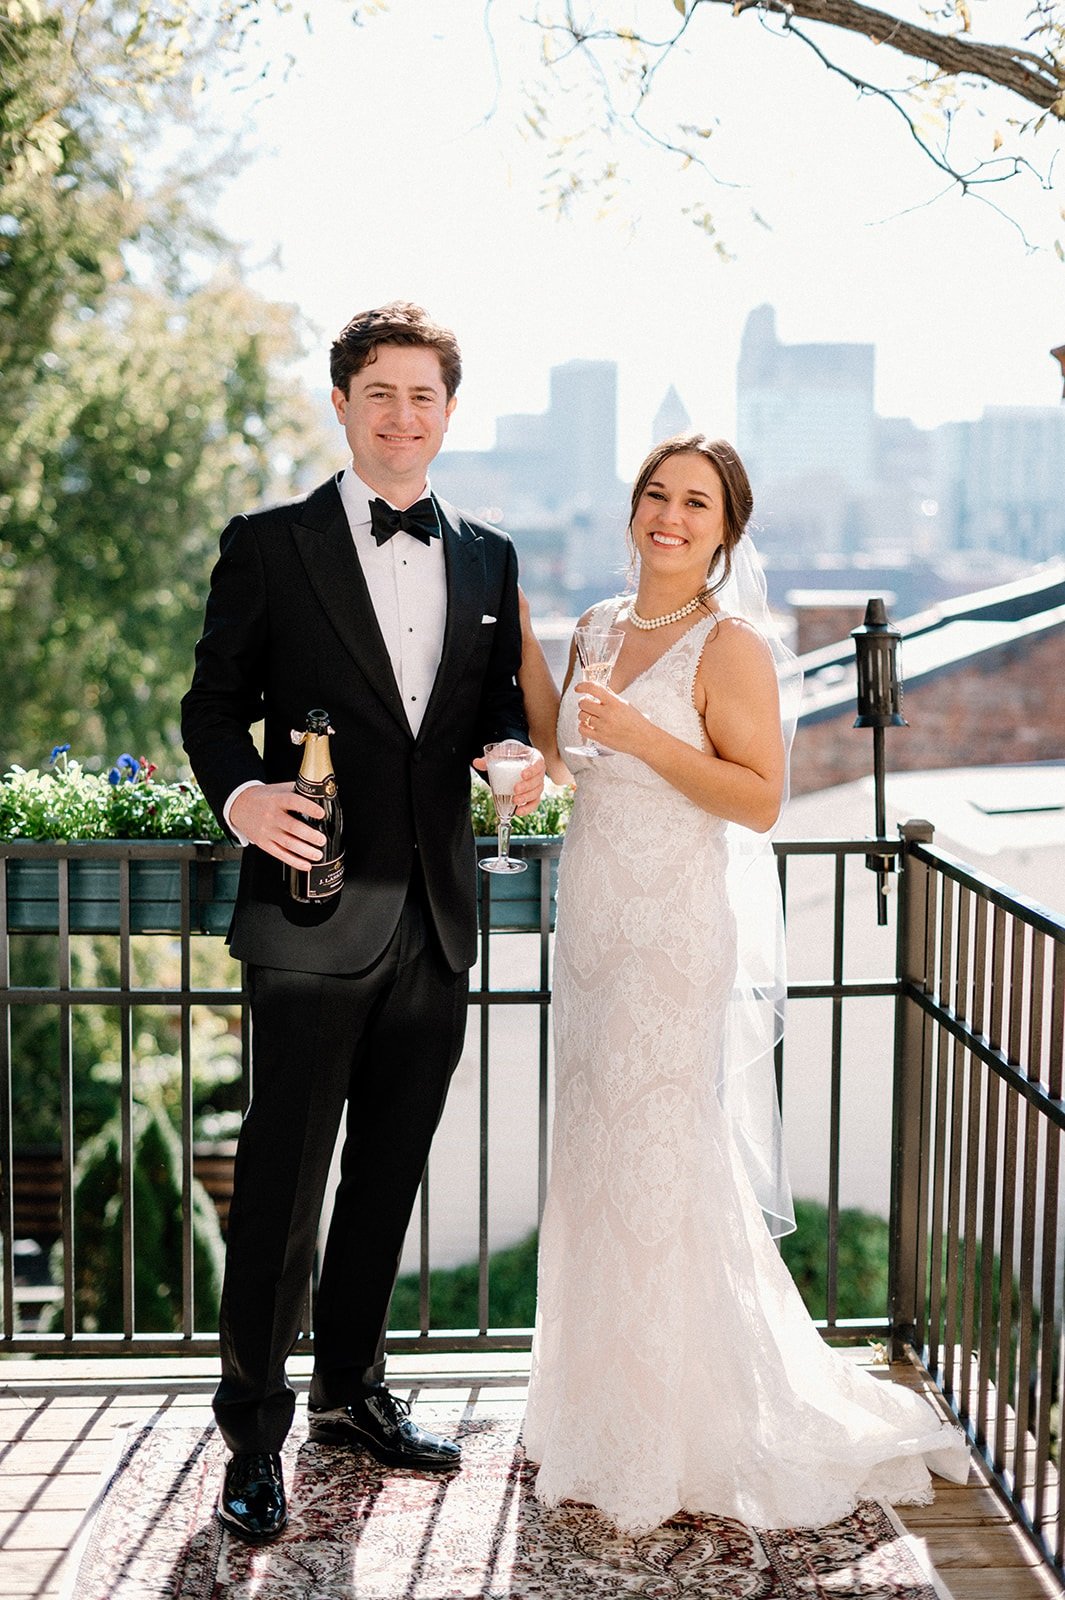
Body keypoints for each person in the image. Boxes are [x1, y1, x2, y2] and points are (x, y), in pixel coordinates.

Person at [517, 433, 968, 1534]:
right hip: (593, 925)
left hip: (674, 930)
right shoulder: (593, 628)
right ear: (633, 509)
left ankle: (678, 1431)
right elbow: (577, 753)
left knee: (662, 1158)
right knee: (592, 1154)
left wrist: (639, 735)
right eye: (657, 495)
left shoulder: (733, 646)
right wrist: (544, 747)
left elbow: (759, 797)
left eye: (697, 503)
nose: (671, 515)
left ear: (726, 530)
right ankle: (594, 1411)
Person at [181, 301, 544, 1543]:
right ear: (341, 403)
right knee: (278, 1191)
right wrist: (240, 794)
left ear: (450, 410)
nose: (402, 416)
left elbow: (498, 709)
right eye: (378, 393)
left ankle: (352, 1395)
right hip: (307, 914)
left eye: (424, 396)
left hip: (436, 919)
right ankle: (251, 1437)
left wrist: (513, 755)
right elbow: (210, 705)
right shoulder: (269, 545)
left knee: (385, 1179)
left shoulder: (492, 557)